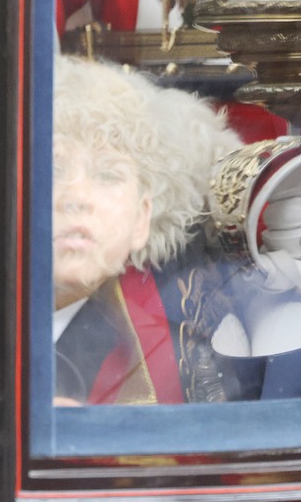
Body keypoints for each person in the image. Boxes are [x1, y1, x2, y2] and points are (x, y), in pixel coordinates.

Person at [51, 56, 247, 404]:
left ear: (142, 219)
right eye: (53, 169)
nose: (76, 197)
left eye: (108, 175)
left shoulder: (172, 360)